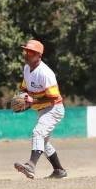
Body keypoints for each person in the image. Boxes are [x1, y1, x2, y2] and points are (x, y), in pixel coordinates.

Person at [13, 39, 67, 179]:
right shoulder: (26, 69)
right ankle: (59, 171)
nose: (27, 54)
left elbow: (53, 97)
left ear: (38, 56)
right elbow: (24, 88)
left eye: (31, 52)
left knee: (38, 133)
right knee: (43, 142)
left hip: (54, 108)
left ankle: (31, 165)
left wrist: (33, 101)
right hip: (42, 109)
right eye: (26, 51)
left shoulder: (45, 73)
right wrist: (23, 98)